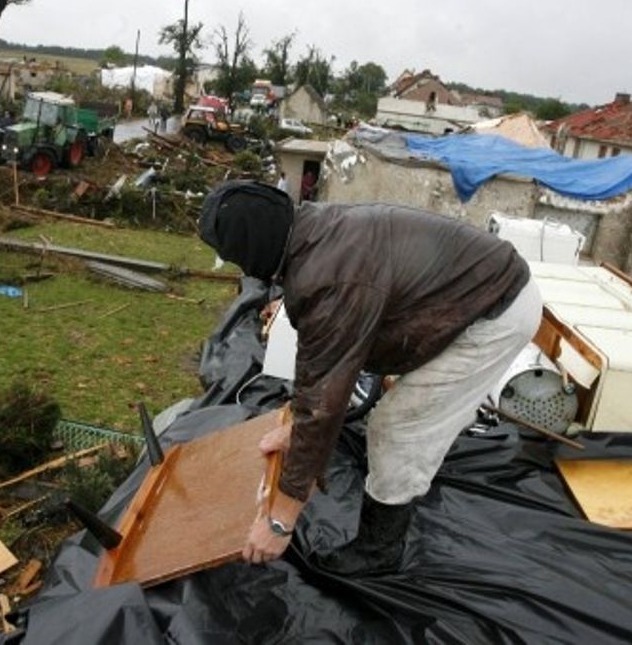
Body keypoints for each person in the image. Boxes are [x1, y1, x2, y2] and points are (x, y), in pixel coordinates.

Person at [198, 181, 541, 575]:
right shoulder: (311, 232)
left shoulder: (329, 280)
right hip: (469, 290)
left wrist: (280, 520)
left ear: (251, 249)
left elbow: (326, 401)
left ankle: (379, 549)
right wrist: (296, 422)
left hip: (496, 310)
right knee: (391, 413)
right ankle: (422, 448)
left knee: (398, 427)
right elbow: (320, 369)